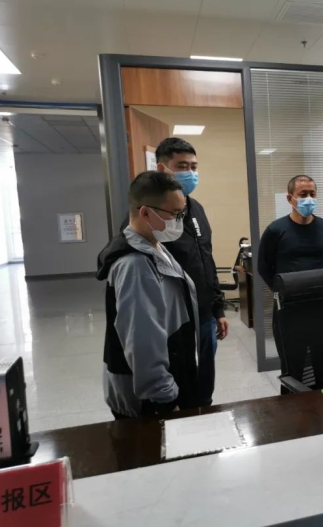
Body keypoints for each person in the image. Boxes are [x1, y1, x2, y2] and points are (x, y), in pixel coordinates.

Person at [120, 137, 227, 407]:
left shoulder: (196, 209)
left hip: (204, 315)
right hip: (175, 321)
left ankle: (204, 412)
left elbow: (206, 260)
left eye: (194, 166)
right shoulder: (149, 218)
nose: (190, 172)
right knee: (180, 385)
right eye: (182, 166)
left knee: (204, 381)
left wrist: (218, 308)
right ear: (162, 169)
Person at [97, 171, 199, 419]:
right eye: (175, 214)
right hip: (149, 401)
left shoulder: (155, 246)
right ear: (145, 213)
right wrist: (164, 398)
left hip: (171, 372)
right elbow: (142, 341)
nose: (180, 221)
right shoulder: (135, 265)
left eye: (182, 213)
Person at [258, 175, 323, 360]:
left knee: (322, 360)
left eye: (312, 194)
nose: (308, 198)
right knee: (292, 362)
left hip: (321, 307)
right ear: (290, 198)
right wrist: (281, 291)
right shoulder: (275, 230)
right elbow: (263, 266)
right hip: (289, 308)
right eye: (303, 194)